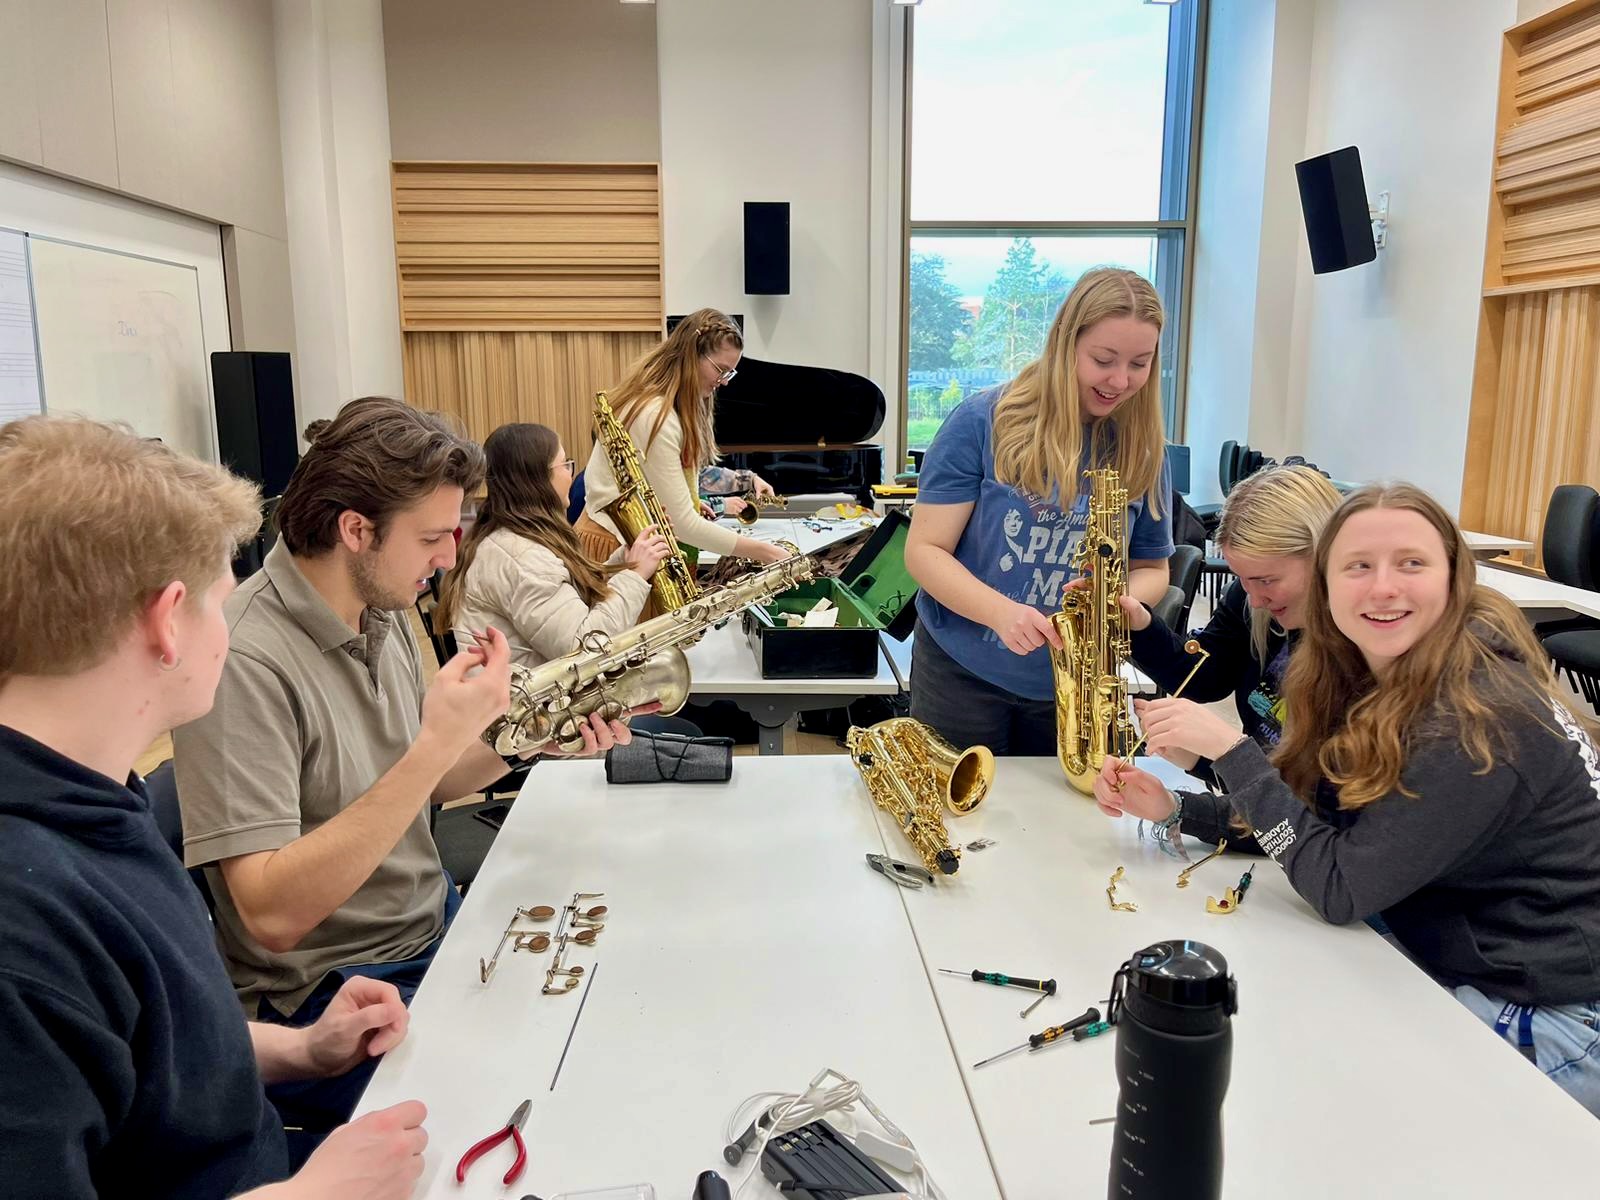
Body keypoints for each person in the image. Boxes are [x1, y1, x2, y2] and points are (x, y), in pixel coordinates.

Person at [172, 397, 631, 1158]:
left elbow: (435, 783)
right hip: (335, 995)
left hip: (433, 932)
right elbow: (268, 915)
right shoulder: (244, 657)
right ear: (356, 529)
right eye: (433, 537)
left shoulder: (380, 606)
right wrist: (435, 744)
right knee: (558, 1111)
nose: (451, 556)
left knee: (610, 1012)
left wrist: (537, 741)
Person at [0, 415, 429, 1198]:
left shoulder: (89, 800)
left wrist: (301, 1051)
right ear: (168, 620)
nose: (228, 630)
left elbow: (147, 1046)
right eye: (218, 603)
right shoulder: (23, 928)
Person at [1097, 483, 1600, 1115]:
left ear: (1452, 574)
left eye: (1411, 564)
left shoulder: (1477, 721)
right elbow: (1312, 825)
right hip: (1450, 942)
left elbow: (1337, 886)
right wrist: (1180, 809)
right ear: (1329, 581)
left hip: (1545, 1010)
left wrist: (1231, 756)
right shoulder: (1373, 671)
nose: (1383, 588)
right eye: (1358, 566)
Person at [905, 267, 1176, 755]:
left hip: (1076, 685)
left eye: (1140, 363)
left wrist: (1118, 604)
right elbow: (925, 552)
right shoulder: (979, 421)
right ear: (1065, 343)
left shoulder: (1144, 448)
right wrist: (1002, 614)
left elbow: (1153, 569)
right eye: (1103, 359)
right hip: (961, 675)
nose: (1121, 380)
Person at [1123, 463, 1343, 788]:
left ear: (1324, 556)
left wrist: (1221, 753)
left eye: (1266, 580)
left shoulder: (1362, 661)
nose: (1254, 600)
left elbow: (1304, 814)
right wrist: (1140, 626)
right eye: (1243, 580)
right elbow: (1206, 677)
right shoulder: (1250, 598)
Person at [436, 422, 670, 669]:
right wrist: (636, 576)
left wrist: (632, 556)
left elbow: (571, 602)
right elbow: (584, 648)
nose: (571, 473)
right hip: (530, 704)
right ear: (537, 478)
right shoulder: (521, 557)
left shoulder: (515, 538)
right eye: (565, 464)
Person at [579, 308, 791, 573]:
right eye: (721, 370)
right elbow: (683, 525)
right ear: (692, 356)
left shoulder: (661, 407)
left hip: (629, 541)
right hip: (615, 544)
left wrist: (689, 499)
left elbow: (656, 481)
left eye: (730, 374)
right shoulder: (656, 415)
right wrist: (766, 551)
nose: (723, 382)